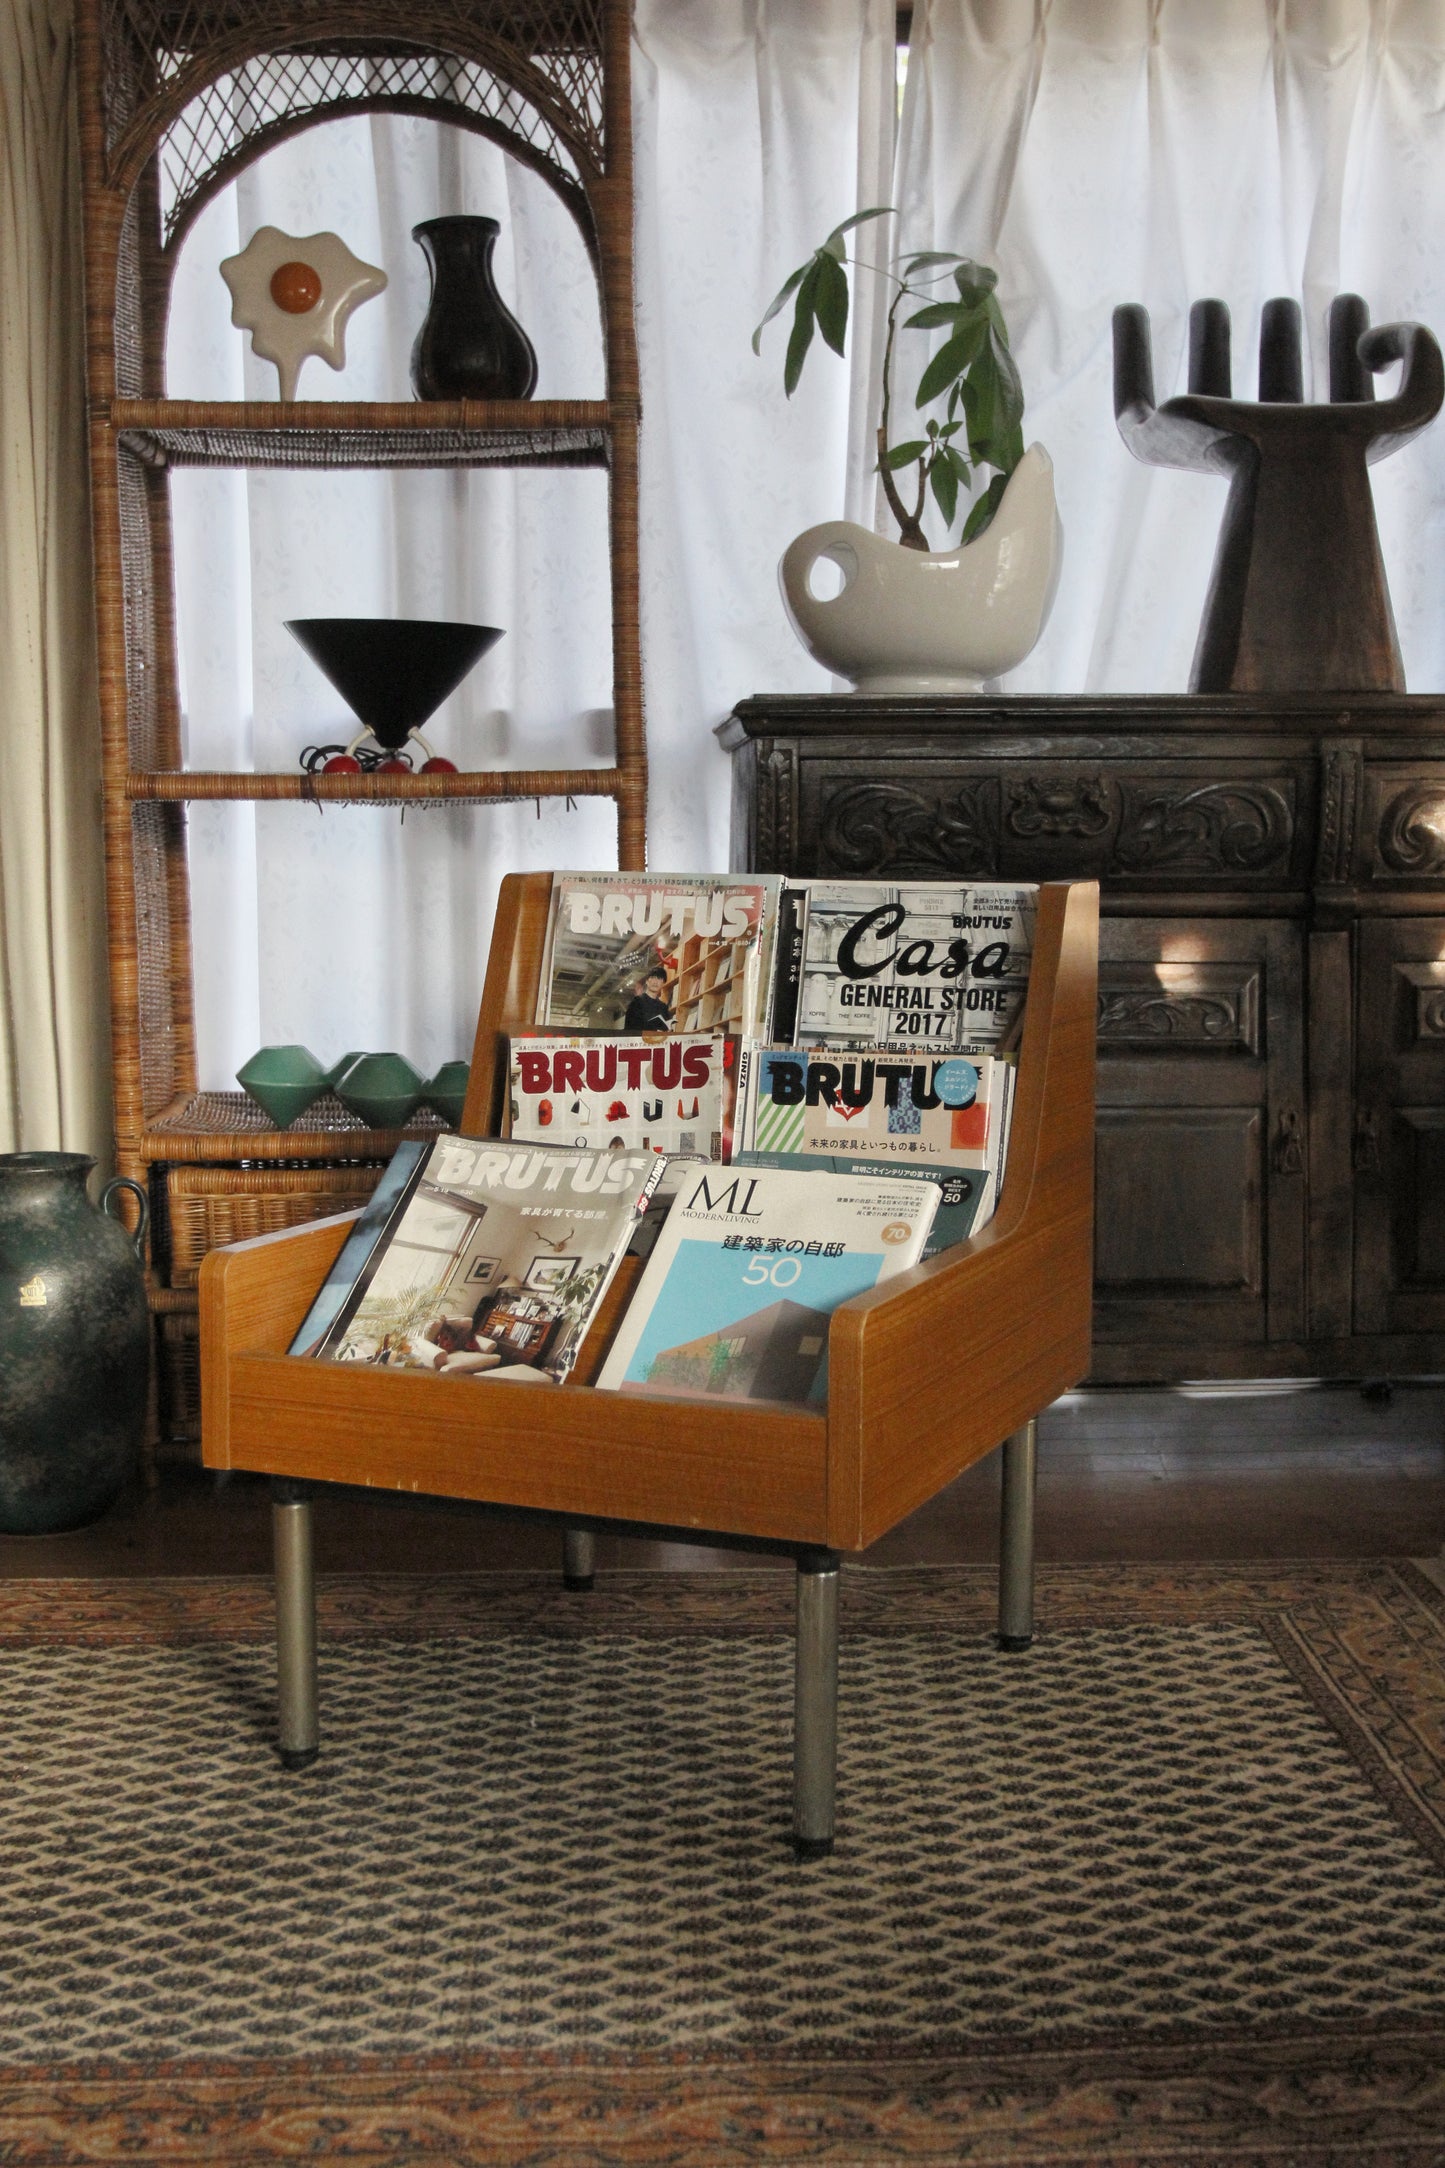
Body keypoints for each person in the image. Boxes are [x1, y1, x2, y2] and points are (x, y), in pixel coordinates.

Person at [623, 966, 672, 1031]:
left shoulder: (663, 1007)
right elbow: (630, 1028)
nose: (655, 982)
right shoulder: (637, 1002)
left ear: (663, 983)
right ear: (647, 981)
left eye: (659, 978)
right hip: (640, 1040)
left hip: (660, 1040)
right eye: (652, 978)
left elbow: (667, 1028)